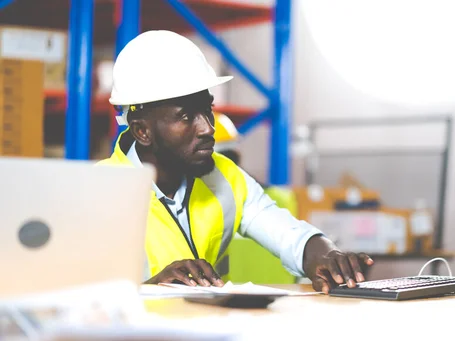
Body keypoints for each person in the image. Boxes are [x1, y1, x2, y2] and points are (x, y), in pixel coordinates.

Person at [99, 30, 372, 293]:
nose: (208, 128)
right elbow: (77, 299)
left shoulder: (225, 177)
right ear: (142, 131)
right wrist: (152, 289)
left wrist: (327, 256)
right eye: (185, 116)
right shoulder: (98, 193)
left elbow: (289, 235)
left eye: (207, 110)